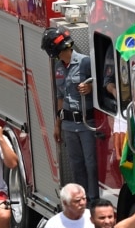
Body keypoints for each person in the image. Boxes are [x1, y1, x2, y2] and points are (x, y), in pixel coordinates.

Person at [42, 26, 98, 198]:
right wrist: (57, 125)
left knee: (91, 164)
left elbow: (101, 86)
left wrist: (90, 87)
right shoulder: (58, 68)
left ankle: (93, 199)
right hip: (68, 125)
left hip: (86, 124)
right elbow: (60, 97)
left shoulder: (85, 62)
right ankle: (80, 200)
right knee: (76, 164)